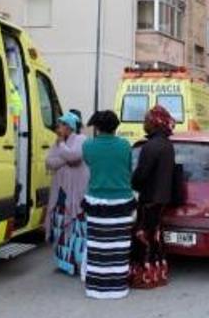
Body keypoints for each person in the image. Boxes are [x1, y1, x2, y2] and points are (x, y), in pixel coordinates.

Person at [82, 110, 136, 299]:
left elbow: (89, 163)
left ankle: (96, 288)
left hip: (96, 201)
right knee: (119, 247)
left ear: (97, 127)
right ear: (116, 127)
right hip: (122, 202)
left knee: (98, 246)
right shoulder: (125, 145)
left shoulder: (88, 146)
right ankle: (117, 288)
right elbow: (128, 168)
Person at [130, 106, 176, 289]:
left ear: (154, 123)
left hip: (149, 198)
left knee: (142, 238)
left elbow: (141, 174)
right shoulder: (167, 144)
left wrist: (133, 183)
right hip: (162, 197)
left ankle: (144, 278)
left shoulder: (150, 146)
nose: (144, 124)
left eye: (146, 121)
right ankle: (159, 275)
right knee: (155, 238)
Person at [45, 112, 89, 276]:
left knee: (78, 229)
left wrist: (63, 148)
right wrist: (65, 157)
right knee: (60, 226)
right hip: (61, 192)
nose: (58, 128)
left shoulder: (81, 139)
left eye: (61, 125)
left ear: (69, 126)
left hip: (77, 192)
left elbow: (75, 156)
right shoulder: (57, 143)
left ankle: (77, 263)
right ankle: (64, 263)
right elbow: (49, 161)